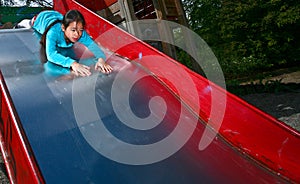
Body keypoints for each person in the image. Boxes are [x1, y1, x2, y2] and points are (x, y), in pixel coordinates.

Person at [31, 10, 113, 76]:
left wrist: (101, 59)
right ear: (63, 28)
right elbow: (51, 55)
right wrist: (73, 64)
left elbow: (95, 48)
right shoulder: (53, 32)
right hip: (39, 19)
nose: (77, 34)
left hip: (57, 15)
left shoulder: (81, 34)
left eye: (80, 30)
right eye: (73, 30)